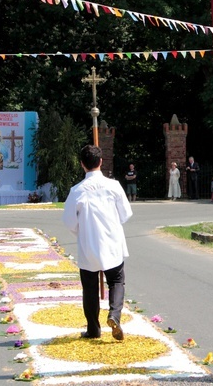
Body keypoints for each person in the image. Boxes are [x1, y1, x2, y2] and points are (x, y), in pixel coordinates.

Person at [62, 145, 133, 341]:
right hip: (112, 243)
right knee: (117, 281)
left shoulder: (76, 191)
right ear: (101, 162)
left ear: (82, 164)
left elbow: (69, 222)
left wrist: (83, 231)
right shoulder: (114, 186)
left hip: (89, 244)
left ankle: (93, 329)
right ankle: (114, 315)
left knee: (90, 287)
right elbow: (126, 214)